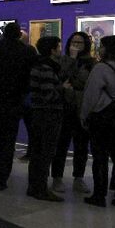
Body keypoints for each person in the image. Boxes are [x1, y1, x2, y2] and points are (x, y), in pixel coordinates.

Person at [0, 22, 33, 190]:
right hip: (13, 102)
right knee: (7, 143)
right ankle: (1, 178)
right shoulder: (26, 51)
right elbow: (28, 78)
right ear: (19, 34)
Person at [81, 36, 115, 207]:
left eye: (101, 47)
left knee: (100, 158)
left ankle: (99, 195)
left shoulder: (101, 68)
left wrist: (84, 116)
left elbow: (90, 96)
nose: (99, 50)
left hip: (102, 118)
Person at [51, 32, 94, 193]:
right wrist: (72, 59)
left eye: (80, 43)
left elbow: (87, 82)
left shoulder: (91, 62)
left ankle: (79, 178)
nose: (76, 45)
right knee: (61, 145)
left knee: (81, 145)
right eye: (74, 42)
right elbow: (60, 77)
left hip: (82, 108)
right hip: (65, 107)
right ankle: (57, 178)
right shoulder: (63, 60)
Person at [26, 36, 66, 201]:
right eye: (58, 47)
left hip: (38, 113)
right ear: (52, 50)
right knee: (45, 152)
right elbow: (49, 94)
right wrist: (64, 89)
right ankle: (41, 188)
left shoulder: (38, 65)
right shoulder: (46, 68)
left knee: (37, 152)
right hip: (48, 114)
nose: (60, 49)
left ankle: (33, 186)